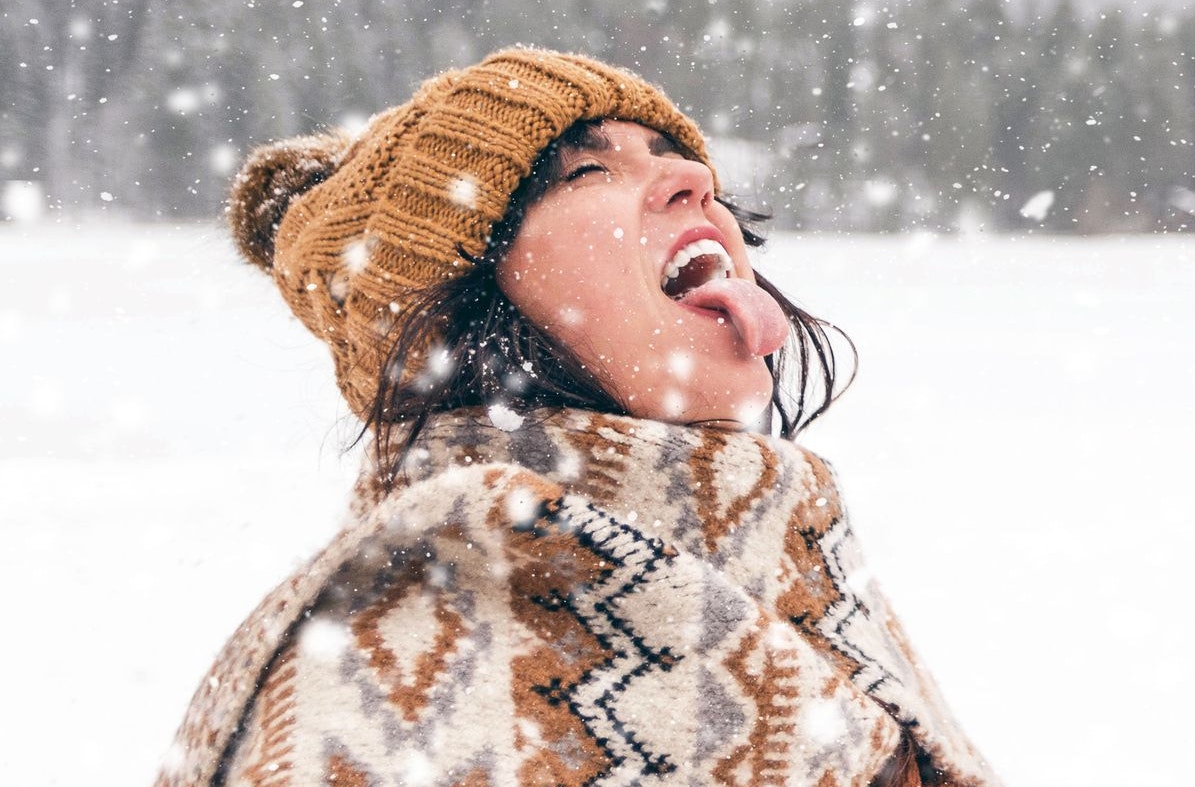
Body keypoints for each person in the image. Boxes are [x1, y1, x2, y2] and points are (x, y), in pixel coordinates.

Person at [154, 48, 1001, 787]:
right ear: (458, 312)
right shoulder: (384, 684)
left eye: (678, 158)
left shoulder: (797, 575)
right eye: (588, 171)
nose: (699, 182)